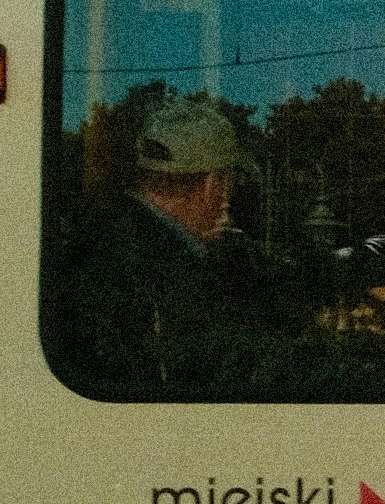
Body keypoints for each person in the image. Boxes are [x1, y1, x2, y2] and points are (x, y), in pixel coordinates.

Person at [55, 94, 333, 397]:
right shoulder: (166, 273)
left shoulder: (105, 240)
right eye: (230, 180)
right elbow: (230, 363)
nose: (229, 197)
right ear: (214, 184)